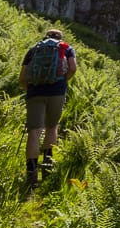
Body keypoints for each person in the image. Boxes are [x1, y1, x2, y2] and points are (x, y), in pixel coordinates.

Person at [19, 28, 77, 185]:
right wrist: (64, 81)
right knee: (52, 127)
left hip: (34, 93)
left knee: (34, 132)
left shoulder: (34, 50)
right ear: (60, 38)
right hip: (57, 92)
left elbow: (23, 76)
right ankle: (47, 166)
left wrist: (29, 89)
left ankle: (31, 174)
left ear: (45, 37)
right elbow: (72, 68)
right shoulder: (66, 48)